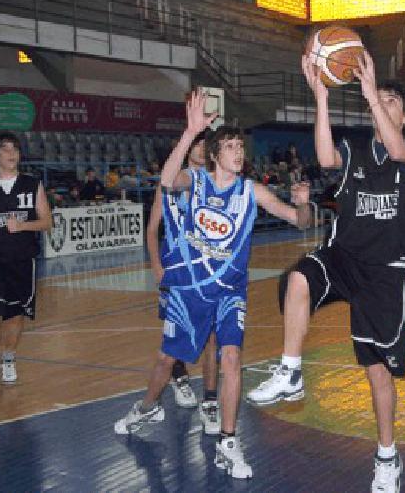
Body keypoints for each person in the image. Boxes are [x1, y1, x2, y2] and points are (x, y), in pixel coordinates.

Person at [246, 51, 405, 493]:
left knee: (377, 372)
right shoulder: (354, 151)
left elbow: (400, 151)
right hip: (342, 256)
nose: (380, 104)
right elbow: (326, 155)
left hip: (385, 273)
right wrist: (321, 95)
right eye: (377, 99)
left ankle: (387, 456)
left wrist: (370, 91)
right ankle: (290, 370)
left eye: (391, 101)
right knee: (297, 278)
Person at [114, 89, 313, 480]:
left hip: (228, 292)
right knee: (166, 360)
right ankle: (147, 407)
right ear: (216, 152)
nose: (239, 152)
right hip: (187, 290)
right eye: (232, 146)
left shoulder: (251, 191)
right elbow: (168, 180)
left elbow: (300, 221)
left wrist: (303, 202)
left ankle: (227, 439)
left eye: (242, 146)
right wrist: (189, 133)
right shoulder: (196, 181)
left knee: (232, 358)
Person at [145, 131, 221, 434]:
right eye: (196, 144)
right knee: (175, 336)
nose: (201, 149)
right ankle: (179, 377)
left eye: (206, 145)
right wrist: (156, 268)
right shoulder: (170, 183)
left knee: (212, 339)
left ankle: (211, 401)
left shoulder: (218, 184)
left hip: (207, 272)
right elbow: (152, 229)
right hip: (175, 270)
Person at [0, 131, 52, 395]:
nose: (11, 153)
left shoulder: (32, 184)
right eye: (5, 149)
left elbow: (47, 222)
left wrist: (24, 225)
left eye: (14, 149)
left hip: (22, 259)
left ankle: (9, 360)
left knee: (15, 316)